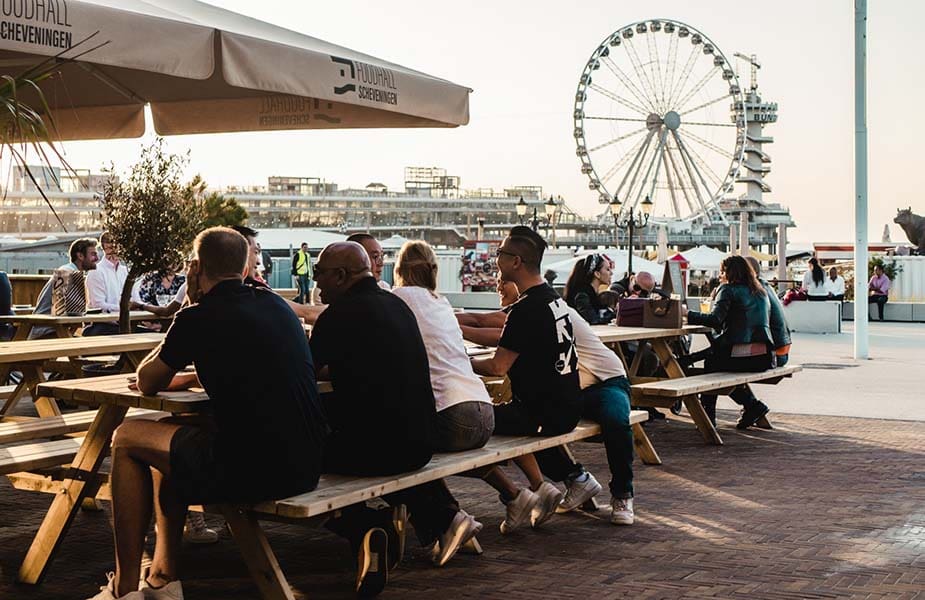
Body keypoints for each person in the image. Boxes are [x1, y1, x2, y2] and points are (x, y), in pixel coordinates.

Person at [88, 227, 327, 600]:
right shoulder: (277, 306)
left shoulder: (198, 316)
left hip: (256, 470)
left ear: (196, 268)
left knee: (128, 438)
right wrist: (188, 377)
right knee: (173, 431)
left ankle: (123, 589)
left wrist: (185, 308)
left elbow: (146, 380)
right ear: (245, 268)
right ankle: (163, 578)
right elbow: (247, 362)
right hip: (308, 461)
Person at [310, 242, 480, 591]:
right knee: (384, 437)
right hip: (421, 444)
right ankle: (444, 518)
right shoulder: (398, 307)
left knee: (297, 459)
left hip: (377, 451)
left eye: (320, 273)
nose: (317, 283)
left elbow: (304, 372)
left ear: (340, 276)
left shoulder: (338, 315)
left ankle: (366, 525)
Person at [459, 278, 638, 526]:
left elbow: (486, 326)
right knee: (535, 420)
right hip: (568, 391)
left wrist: (446, 325)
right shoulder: (526, 311)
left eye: (506, 282)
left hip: (605, 381)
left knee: (616, 420)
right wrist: (445, 318)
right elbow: (486, 324)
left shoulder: (542, 309)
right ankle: (577, 479)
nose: (499, 287)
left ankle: (622, 494)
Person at [470, 226, 583, 534]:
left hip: (541, 414)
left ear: (515, 262)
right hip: (566, 407)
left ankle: (515, 497)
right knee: (495, 413)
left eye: (500, 254)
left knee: (467, 425)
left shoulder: (525, 309)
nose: (496, 260)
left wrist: (464, 364)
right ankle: (539, 487)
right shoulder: (553, 300)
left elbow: (497, 367)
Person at [391, 240, 495, 453]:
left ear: (399, 270)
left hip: (452, 415)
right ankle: (518, 488)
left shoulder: (399, 298)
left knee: (394, 444)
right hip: (485, 415)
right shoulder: (441, 301)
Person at [683, 255, 774, 430]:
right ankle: (752, 406)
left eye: (722, 271)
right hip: (764, 357)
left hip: (743, 356)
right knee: (717, 362)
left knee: (712, 366)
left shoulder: (728, 290)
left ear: (729, 272)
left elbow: (715, 320)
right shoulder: (759, 291)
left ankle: (708, 417)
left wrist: (687, 313)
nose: (719, 275)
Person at [29, 237, 100, 339]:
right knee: (89, 345)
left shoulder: (72, 272)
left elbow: (76, 313)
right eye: (93, 254)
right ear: (80, 255)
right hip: (46, 333)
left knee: (92, 343)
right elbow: (73, 314)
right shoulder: (66, 273)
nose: (97, 258)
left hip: (56, 330)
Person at [746, 256, 792, 368]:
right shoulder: (765, 287)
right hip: (782, 351)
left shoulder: (756, 292)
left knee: (717, 359)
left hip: (774, 355)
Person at [85, 231, 129, 336]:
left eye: (117, 247)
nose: (114, 251)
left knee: (155, 335)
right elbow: (98, 305)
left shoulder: (125, 271)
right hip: (104, 326)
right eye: (110, 248)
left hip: (126, 323)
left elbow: (135, 299)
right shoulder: (96, 271)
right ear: (104, 249)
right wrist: (125, 307)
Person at [563, 253, 615, 324]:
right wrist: (613, 316)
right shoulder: (583, 294)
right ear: (597, 274)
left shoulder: (590, 293)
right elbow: (592, 320)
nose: (611, 273)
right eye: (608, 269)